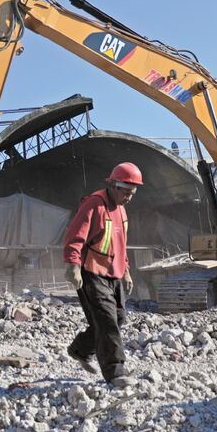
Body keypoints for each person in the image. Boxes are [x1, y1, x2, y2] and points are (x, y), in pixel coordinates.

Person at [63, 162, 141, 386]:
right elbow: (74, 236)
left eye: (132, 193)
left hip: (113, 273)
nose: (128, 197)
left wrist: (125, 271)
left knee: (117, 318)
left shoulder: (121, 209)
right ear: (114, 186)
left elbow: (120, 244)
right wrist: (73, 265)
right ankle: (115, 372)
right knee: (106, 321)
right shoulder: (94, 204)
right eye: (126, 192)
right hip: (92, 272)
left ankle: (79, 349)